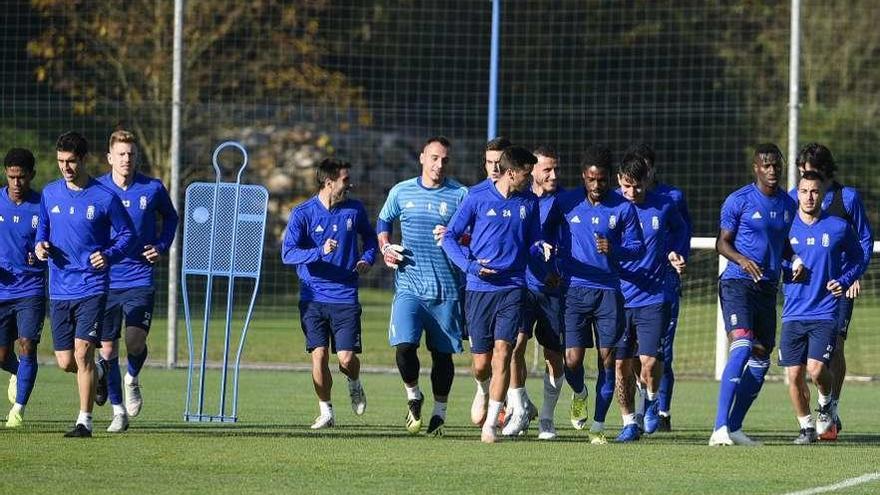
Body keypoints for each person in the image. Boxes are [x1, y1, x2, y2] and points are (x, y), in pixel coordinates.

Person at [441, 145, 549, 443]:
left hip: (513, 287)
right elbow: (450, 238)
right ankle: (483, 390)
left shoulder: (529, 202)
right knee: (481, 363)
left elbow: (533, 237)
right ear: (511, 173)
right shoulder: (476, 197)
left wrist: (541, 246)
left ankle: (492, 422)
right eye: (527, 175)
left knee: (505, 352)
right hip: (479, 289)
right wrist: (470, 267)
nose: (532, 180)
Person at [36, 132, 135, 437]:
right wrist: (41, 245)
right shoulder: (49, 193)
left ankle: (84, 422)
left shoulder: (104, 197)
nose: (65, 167)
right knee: (67, 362)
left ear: (84, 160)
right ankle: (102, 370)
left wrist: (108, 255)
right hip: (59, 288)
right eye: (61, 161)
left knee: (82, 354)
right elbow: (43, 228)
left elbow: (127, 235)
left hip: (92, 287)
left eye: (71, 161)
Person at [549, 145, 644, 445]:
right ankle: (579, 393)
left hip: (609, 293)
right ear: (583, 177)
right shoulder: (565, 203)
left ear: (608, 179)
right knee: (572, 361)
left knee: (607, 360)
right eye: (591, 179)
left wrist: (614, 249)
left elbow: (637, 248)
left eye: (602, 180)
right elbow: (543, 233)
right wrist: (551, 259)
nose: (597, 186)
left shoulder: (623, 208)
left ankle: (598, 426)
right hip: (575, 290)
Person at [376, 136, 468, 436]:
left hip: (447, 291)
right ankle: (413, 396)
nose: (439, 165)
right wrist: (386, 247)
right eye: (434, 158)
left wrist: (458, 237)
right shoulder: (401, 192)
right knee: (404, 347)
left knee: (442, 356)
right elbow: (383, 221)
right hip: (409, 286)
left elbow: (475, 234)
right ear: (422, 158)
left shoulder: (460, 194)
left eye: (444, 160)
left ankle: (439, 414)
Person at [709, 143, 798, 446]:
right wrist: (742, 260)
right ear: (756, 168)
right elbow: (722, 243)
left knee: (761, 358)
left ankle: (734, 427)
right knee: (743, 343)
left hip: (767, 288)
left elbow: (783, 244)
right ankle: (718, 427)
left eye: (776, 165)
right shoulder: (739, 201)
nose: (772, 170)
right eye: (766, 165)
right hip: (737, 283)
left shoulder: (789, 204)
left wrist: (794, 261)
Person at [281, 158, 377, 429]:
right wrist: (318, 252)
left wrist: (367, 259)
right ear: (329, 182)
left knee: (346, 359)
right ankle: (326, 412)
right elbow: (288, 253)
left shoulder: (354, 210)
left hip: (345, 295)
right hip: (312, 297)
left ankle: (354, 382)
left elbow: (370, 239)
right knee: (319, 356)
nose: (350, 184)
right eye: (345, 180)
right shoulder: (303, 213)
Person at [95, 129, 178, 432]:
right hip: (104, 281)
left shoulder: (152, 188)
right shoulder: (98, 189)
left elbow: (171, 218)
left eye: (131, 154)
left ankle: (131, 377)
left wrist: (160, 246)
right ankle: (119, 413)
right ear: (110, 158)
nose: (126, 159)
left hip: (139, 276)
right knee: (106, 351)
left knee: (134, 341)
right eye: (121, 154)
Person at [792, 143, 873, 441]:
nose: (804, 177)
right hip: (804, 292)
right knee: (802, 363)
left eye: (809, 171)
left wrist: (853, 275)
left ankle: (830, 409)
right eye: (801, 173)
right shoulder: (794, 197)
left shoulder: (847, 198)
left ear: (824, 171)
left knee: (836, 346)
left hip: (838, 288)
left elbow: (864, 242)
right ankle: (807, 415)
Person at [614, 155, 688, 441]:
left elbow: (681, 229)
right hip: (620, 296)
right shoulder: (612, 208)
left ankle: (652, 399)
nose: (632, 193)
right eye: (627, 186)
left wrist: (674, 251)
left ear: (648, 180)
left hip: (653, 296)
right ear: (620, 179)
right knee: (622, 364)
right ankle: (629, 422)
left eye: (638, 187)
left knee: (649, 360)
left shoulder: (664, 205)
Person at [502, 145, 565, 439]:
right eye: (547, 169)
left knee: (555, 357)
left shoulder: (566, 201)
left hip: (553, 289)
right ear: (532, 171)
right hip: (521, 285)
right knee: (515, 346)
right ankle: (519, 408)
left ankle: (548, 418)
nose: (553, 175)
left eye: (556, 169)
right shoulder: (520, 199)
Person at [0, 148, 45, 428]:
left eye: (22, 177)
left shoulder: (43, 205)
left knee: (27, 345)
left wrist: (43, 251)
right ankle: (18, 371)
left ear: (31, 176)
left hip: (31, 288)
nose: (17, 183)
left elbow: (54, 239)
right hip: (1, 289)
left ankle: (18, 410)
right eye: (12, 177)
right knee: (2, 356)